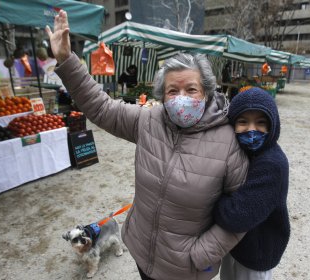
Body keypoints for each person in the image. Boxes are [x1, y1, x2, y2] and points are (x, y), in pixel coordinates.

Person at [46, 10, 249, 280]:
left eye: (191, 90)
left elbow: (243, 211)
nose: (181, 99)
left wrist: (202, 253)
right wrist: (66, 60)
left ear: (207, 93)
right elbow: (101, 107)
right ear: (162, 96)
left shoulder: (228, 141)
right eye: (172, 91)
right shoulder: (149, 120)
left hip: (186, 269)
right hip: (143, 253)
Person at [214, 87, 290, 280]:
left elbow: (237, 216)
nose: (252, 130)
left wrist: (211, 199)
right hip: (238, 248)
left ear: (273, 125)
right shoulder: (246, 152)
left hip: (257, 255)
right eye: (242, 122)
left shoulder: (272, 164)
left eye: (261, 122)